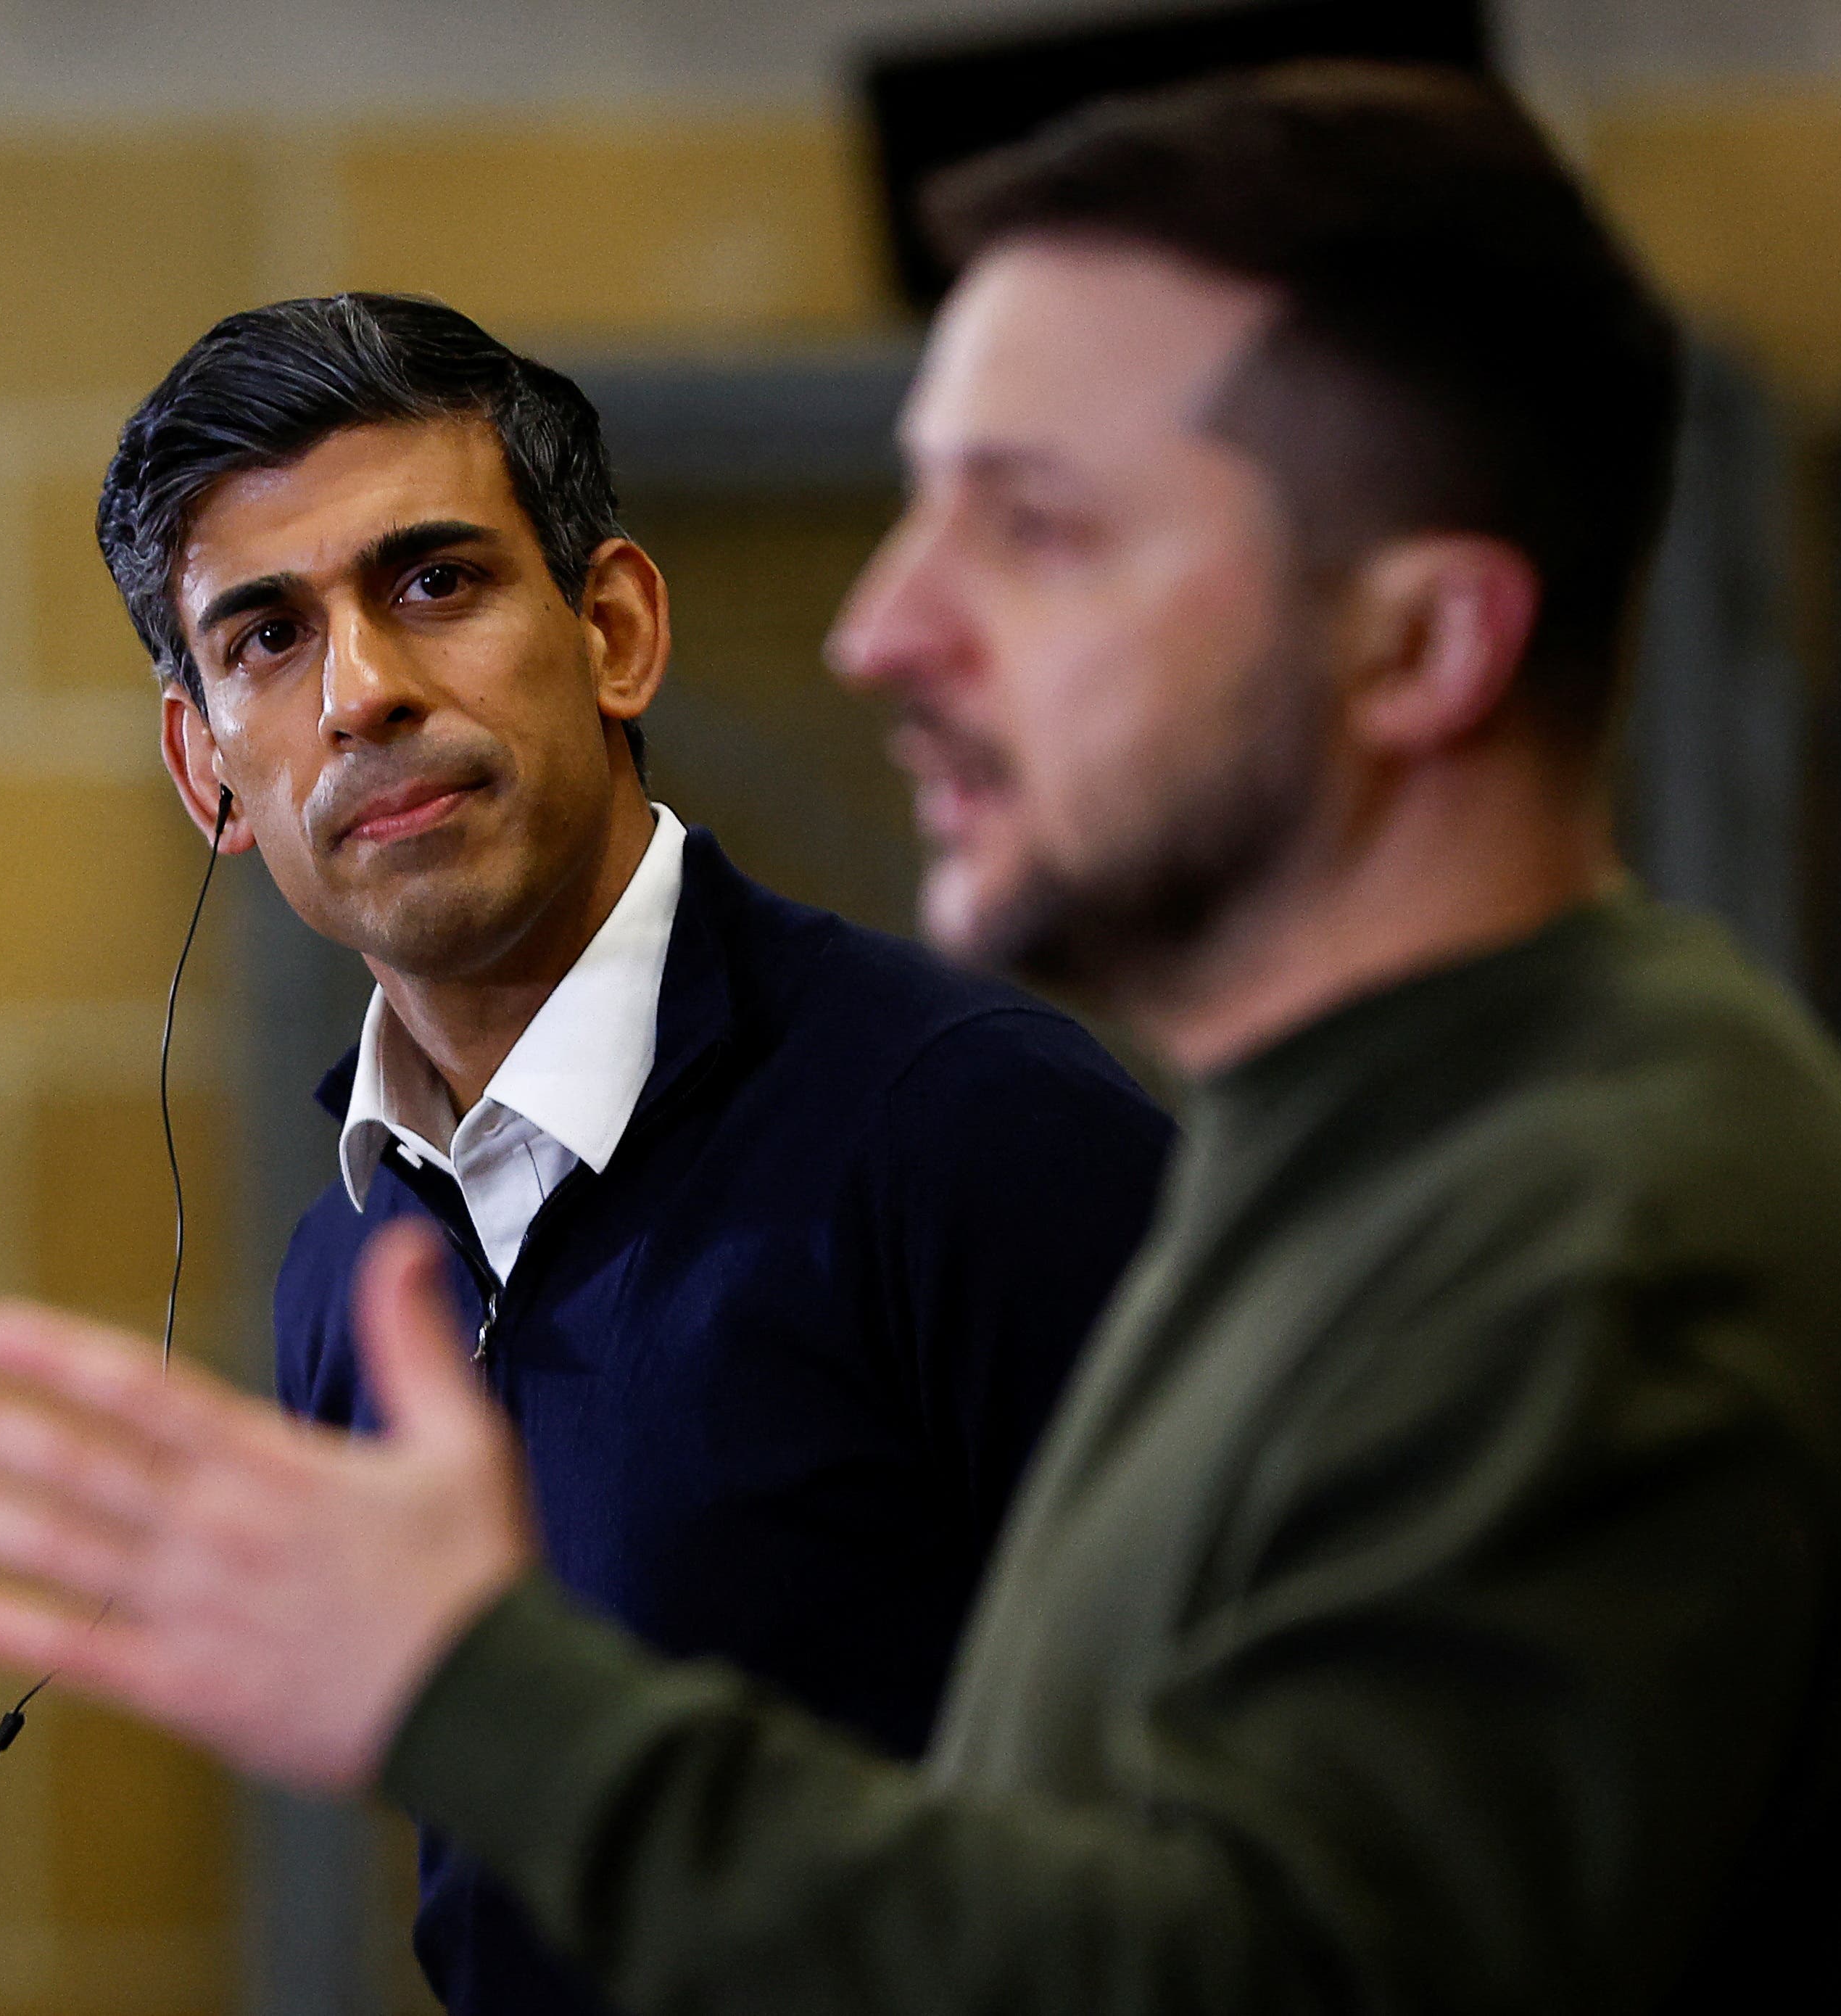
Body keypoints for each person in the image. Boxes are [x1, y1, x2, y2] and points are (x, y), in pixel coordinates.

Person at [0, 65, 1841, 2013]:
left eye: (1035, 527)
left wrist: (471, 1686)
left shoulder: (1601, 1242)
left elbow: (1236, 1978)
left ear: (1415, 641)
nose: (883, 626)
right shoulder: (1378, 1170)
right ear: (199, 754)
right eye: (269, 636)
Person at [86, 292, 1172, 2016]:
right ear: (204, 768)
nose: (362, 692)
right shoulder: (352, 1278)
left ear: (613, 631)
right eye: (267, 639)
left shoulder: (974, 1133)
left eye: (433, 582)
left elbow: (1265, 1851)